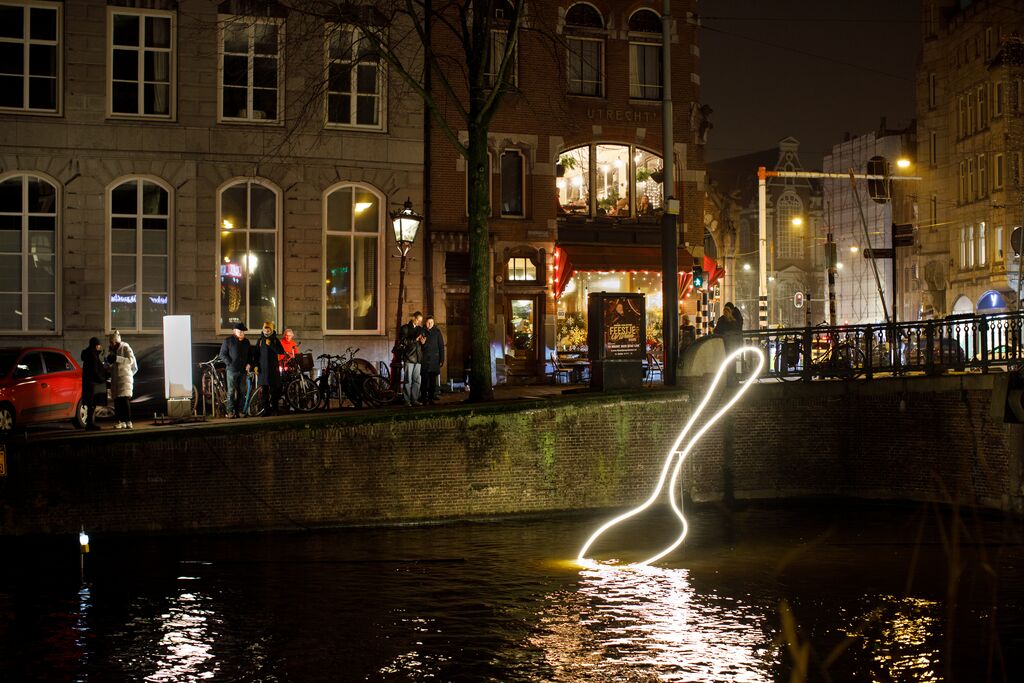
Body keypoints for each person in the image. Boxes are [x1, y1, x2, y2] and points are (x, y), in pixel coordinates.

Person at [219, 322, 252, 418]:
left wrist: (249, 363)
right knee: (231, 392)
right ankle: (230, 412)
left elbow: (250, 355)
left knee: (242, 391)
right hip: (232, 370)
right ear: (234, 331)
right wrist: (229, 363)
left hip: (243, 371)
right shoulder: (228, 341)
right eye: (240, 331)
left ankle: (240, 411)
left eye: (243, 331)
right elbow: (222, 354)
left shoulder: (246, 342)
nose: (242, 333)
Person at [107, 330, 138, 429]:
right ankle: (121, 421)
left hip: (124, 378)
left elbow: (130, 360)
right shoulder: (112, 350)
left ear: (116, 341)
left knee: (124, 400)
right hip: (116, 379)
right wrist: (108, 364)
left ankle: (128, 421)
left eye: (112, 342)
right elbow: (112, 366)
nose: (111, 344)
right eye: (110, 343)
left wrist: (117, 358)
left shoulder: (125, 347)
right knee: (118, 401)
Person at [255, 321, 285, 415]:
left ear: (271, 330)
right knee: (264, 392)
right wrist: (255, 365)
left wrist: (271, 345)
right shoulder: (260, 341)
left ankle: (275, 410)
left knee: (274, 391)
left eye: (268, 329)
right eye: (265, 329)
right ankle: (266, 410)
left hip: (273, 370)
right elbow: (256, 355)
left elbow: (280, 351)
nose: (266, 331)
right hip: (263, 370)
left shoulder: (275, 340)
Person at [79, 337, 106, 431]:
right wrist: (102, 380)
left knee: (89, 404)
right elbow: (94, 371)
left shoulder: (88, 354)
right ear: (96, 345)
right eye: (99, 345)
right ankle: (90, 424)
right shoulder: (92, 355)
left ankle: (90, 423)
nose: (100, 347)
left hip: (87, 382)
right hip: (92, 383)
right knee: (91, 404)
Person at [400, 311, 425, 406]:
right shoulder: (405, 328)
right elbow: (403, 341)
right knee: (407, 380)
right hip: (409, 357)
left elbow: (421, 341)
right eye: (418, 320)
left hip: (418, 358)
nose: (419, 322)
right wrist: (415, 339)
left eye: (420, 321)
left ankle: (414, 399)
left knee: (417, 380)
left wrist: (423, 342)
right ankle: (407, 401)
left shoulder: (420, 329)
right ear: (414, 318)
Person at [420, 315, 446, 405]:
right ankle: (424, 398)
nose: (430, 324)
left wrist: (442, 359)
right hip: (425, 360)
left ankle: (431, 398)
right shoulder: (422, 331)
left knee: (432, 381)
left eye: (431, 322)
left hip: (435, 360)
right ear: (425, 323)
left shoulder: (437, 332)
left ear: (433, 323)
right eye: (428, 322)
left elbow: (441, 346)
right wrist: (423, 344)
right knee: (424, 380)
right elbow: (420, 347)